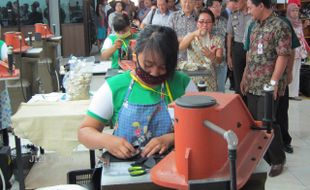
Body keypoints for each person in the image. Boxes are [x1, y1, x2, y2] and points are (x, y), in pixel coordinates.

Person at [78, 25, 198, 159]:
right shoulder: (115, 86)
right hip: (127, 171)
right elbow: (84, 132)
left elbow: (199, 129)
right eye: (148, 65)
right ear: (135, 55)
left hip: (174, 166)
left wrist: (172, 138)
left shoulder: (183, 84)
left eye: (163, 67)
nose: (154, 72)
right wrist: (108, 141)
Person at [241, 0, 292, 177]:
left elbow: (283, 55)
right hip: (253, 82)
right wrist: (245, 75)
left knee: (267, 121)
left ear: (261, 5)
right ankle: (264, 156)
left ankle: (278, 159)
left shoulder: (280, 25)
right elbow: (251, 53)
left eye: (250, 7)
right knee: (255, 122)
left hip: (268, 85)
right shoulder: (254, 25)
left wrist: (274, 82)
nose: (248, 11)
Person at [179, 8, 223, 91]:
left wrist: (212, 57)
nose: (205, 25)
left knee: (209, 102)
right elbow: (181, 48)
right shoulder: (190, 36)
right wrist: (194, 34)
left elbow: (219, 60)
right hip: (192, 79)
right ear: (197, 23)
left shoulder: (217, 40)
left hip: (209, 80)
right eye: (201, 21)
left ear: (213, 23)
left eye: (208, 22)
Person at [226, 0, 251, 100]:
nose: (235, 5)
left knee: (251, 78)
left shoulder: (253, 13)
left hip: (251, 47)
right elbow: (229, 36)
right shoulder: (233, 15)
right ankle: (240, 105)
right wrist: (229, 56)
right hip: (238, 48)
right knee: (238, 79)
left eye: (237, 2)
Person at [287, 3, 309, 100]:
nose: (295, 13)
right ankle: (289, 93)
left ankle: (294, 92)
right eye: (293, 11)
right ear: (289, 11)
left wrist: (307, 48)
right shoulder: (287, 23)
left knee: (297, 71)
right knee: (291, 71)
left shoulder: (298, 22)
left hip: (299, 50)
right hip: (292, 51)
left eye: (296, 11)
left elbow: (302, 37)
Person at [206, 0, 228, 92]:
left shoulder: (224, 21)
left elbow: (228, 39)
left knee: (220, 89)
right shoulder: (204, 22)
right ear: (209, 8)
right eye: (216, 6)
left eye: (220, 6)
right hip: (207, 62)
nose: (219, 8)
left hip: (221, 61)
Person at [0, 27, 12, 147]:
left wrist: (7, 62)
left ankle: (5, 156)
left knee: (2, 125)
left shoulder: (2, 45)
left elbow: (7, 62)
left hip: (0, 89)